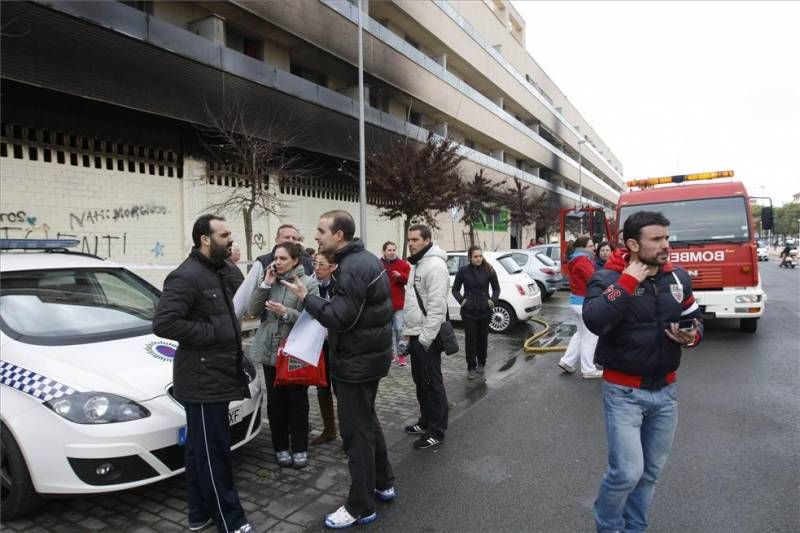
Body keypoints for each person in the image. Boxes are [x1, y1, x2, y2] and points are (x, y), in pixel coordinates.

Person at [583, 211, 703, 533]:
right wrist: (628, 281)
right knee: (626, 472)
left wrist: (693, 336)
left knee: (650, 472)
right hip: (623, 393)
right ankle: (608, 526)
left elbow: (696, 318)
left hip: (666, 394)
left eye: (666, 237)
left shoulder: (677, 278)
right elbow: (594, 319)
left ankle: (635, 528)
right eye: (657, 239)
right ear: (633, 244)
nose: (666, 245)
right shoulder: (607, 278)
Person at [282, 210, 394, 529]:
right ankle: (383, 483)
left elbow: (339, 317)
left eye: (320, 231)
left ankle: (360, 506)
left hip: (356, 364)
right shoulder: (363, 260)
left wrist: (306, 298)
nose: (315, 236)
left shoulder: (352, 266)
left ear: (339, 235)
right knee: (368, 423)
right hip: (367, 359)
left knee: (356, 434)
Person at [153, 215, 252, 533]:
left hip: (220, 373)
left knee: (199, 450)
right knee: (214, 454)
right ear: (204, 239)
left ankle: (198, 513)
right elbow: (164, 323)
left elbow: (246, 303)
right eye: (224, 234)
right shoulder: (185, 276)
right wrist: (214, 331)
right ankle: (231, 521)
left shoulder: (221, 270)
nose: (230, 239)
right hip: (202, 379)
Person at [248, 242, 319, 469]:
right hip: (271, 349)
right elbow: (252, 310)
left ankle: (299, 447)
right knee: (276, 402)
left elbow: (314, 318)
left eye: (282, 258)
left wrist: (286, 312)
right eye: (275, 258)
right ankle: (280, 447)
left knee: (297, 401)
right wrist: (265, 284)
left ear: (295, 260)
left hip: (295, 350)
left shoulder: (307, 283)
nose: (277, 262)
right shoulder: (271, 281)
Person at [402, 224, 450, 449]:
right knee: (420, 382)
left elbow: (437, 307)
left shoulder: (435, 266)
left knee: (432, 384)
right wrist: (409, 336)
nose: (411, 243)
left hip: (427, 337)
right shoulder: (417, 264)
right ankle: (425, 421)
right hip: (415, 334)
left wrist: (425, 339)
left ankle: (437, 431)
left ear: (427, 240)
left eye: (415, 239)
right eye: (409, 239)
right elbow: (412, 301)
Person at [233, 224, 314, 319]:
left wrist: (286, 313)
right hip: (269, 329)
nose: (291, 240)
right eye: (287, 237)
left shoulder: (308, 262)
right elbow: (245, 295)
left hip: (298, 330)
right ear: (276, 240)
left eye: (294, 238)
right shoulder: (263, 262)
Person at [558, 236, 603, 379]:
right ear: (582, 248)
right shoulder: (583, 260)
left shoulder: (575, 259)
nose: (593, 248)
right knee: (591, 336)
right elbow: (594, 280)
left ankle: (567, 361)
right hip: (585, 302)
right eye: (590, 246)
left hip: (576, 302)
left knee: (580, 334)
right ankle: (588, 369)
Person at [451, 245, 500, 380]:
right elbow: (455, 289)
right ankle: (471, 367)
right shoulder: (463, 271)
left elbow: (496, 289)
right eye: (475, 256)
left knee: (482, 338)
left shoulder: (489, 269)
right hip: (468, 311)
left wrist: (493, 301)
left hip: (484, 310)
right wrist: (462, 301)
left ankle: (481, 363)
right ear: (470, 258)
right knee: (471, 339)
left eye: (480, 256)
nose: (478, 259)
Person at [310, 250, 339, 446]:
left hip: (336, 344)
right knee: (322, 387)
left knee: (340, 390)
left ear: (332, 267)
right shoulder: (311, 286)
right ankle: (329, 430)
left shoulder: (340, 286)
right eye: (315, 264)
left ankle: (348, 434)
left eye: (321, 264)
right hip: (317, 344)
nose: (317, 268)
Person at [380, 241, 411, 366]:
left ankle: (401, 355)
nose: (392, 252)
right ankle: (390, 354)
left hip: (398, 304)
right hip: (384, 304)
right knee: (387, 331)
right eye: (389, 250)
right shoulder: (378, 264)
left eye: (394, 250)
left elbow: (409, 279)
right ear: (384, 251)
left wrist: (400, 276)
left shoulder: (402, 264)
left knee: (399, 329)